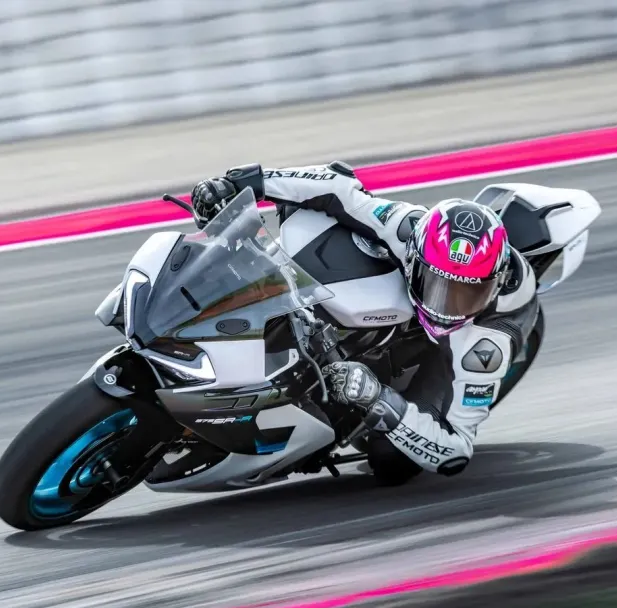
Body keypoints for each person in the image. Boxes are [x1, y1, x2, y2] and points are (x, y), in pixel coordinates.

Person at [189, 161, 539, 482]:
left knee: (391, 460)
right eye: (437, 286)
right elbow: (336, 186)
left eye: (467, 294)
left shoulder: (486, 343)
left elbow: (455, 451)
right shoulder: (405, 227)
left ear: (493, 286)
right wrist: (245, 183)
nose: (447, 307)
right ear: (414, 257)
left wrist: (377, 398)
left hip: (477, 334)